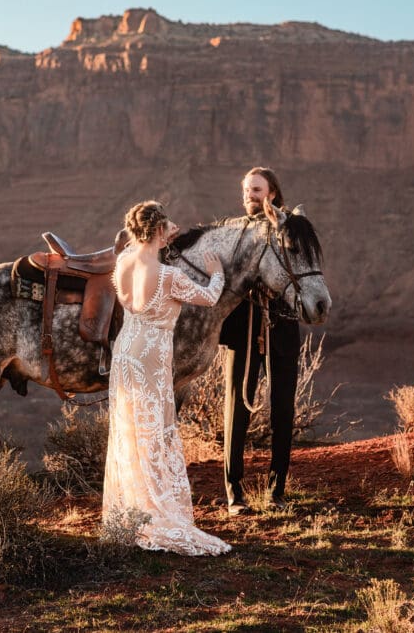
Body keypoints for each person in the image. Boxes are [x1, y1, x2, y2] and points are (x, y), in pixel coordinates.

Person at [102, 200, 231, 555]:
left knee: (129, 430)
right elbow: (209, 297)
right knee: (154, 430)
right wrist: (217, 271)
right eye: (166, 225)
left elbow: (137, 243)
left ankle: (131, 510)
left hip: (125, 351)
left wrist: (160, 232)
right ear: (158, 230)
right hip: (151, 357)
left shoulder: (124, 261)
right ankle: (158, 511)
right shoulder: (169, 277)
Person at [219, 167, 301, 516]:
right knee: (236, 408)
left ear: (272, 192)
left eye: (256, 189)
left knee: (283, 409)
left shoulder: (292, 229)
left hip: (282, 326)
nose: (248, 195)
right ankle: (234, 493)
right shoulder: (232, 230)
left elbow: (300, 272)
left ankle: (276, 491)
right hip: (242, 328)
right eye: (246, 190)